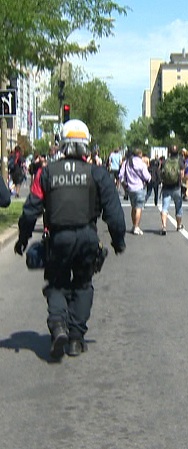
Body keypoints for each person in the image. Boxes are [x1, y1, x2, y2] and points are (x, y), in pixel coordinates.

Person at [13, 119, 126, 359]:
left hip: (57, 237)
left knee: (57, 283)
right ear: (87, 145)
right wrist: (118, 241)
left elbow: (30, 210)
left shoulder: (46, 173)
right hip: (87, 236)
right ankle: (75, 338)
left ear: (61, 144)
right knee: (83, 285)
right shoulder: (98, 173)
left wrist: (23, 239)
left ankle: (58, 326)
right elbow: (114, 213)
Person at [119, 148, 151, 235]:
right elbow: (147, 177)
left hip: (129, 188)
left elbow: (120, 175)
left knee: (133, 207)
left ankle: (134, 225)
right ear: (140, 154)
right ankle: (136, 227)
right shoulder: (142, 164)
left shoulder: (126, 163)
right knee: (139, 207)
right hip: (139, 187)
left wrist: (124, 186)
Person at [159, 145, 185, 235]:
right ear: (178, 152)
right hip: (176, 187)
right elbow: (182, 174)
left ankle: (164, 226)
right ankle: (178, 225)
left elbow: (161, 173)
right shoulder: (180, 161)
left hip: (166, 187)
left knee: (165, 207)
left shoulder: (165, 161)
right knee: (178, 207)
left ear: (169, 152)